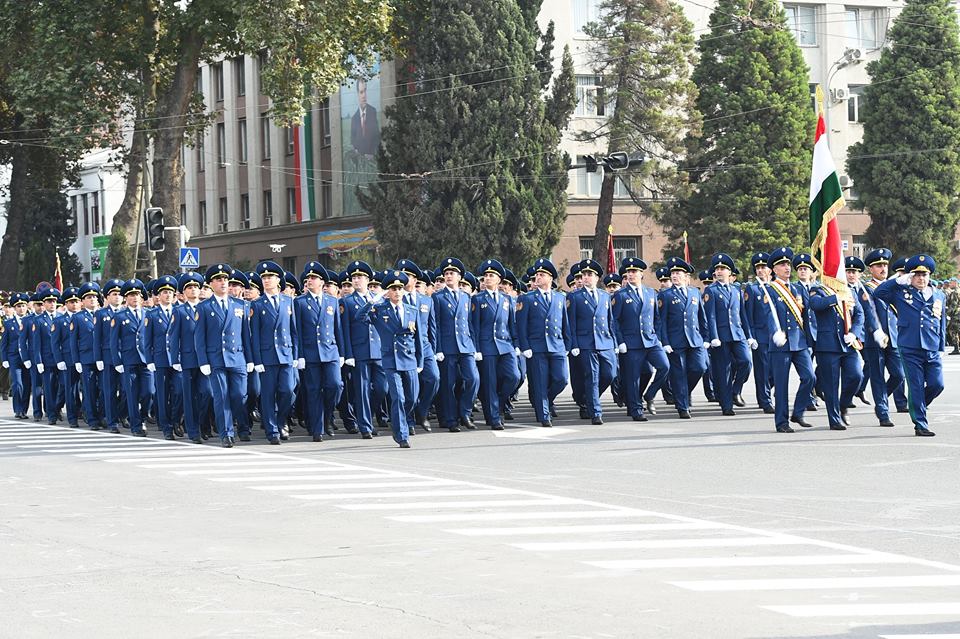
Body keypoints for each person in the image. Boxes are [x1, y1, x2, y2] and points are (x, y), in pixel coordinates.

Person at [874, 254, 946, 436]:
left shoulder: (939, 295)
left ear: (929, 276)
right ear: (910, 277)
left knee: (937, 384)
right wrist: (897, 281)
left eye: (924, 275)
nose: (921, 279)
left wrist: (941, 347)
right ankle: (920, 424)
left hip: (931, 346)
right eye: (917, 275)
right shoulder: (901, 293)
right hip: (909, 347)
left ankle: (917, 404)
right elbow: (878, 293)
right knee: (916, 386)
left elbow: (942, 323)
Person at [358, 270, 423, 448]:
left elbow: (418, 338)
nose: (397, 292)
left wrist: (420, 361)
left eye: (399, 288)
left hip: (409, 359)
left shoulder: (411, 310)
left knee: (412, 398)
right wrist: (374, 300)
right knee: (398, 398)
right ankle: (401, 435)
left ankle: (399, 419)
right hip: (391, 359)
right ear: (388, 291)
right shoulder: (380, 310)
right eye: (393, 289)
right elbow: (360, 317)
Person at [195, 264, 253, 447]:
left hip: (238, 358)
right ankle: (226, 433)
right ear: (211, 284)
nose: (223, 283)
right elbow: (199, 337)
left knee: (239, 395)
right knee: (221, 396)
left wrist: (250, 359)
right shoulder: (204, 307)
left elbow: (246, 335)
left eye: (225, 279)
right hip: (216, 359)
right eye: (218, 280)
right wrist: (203, 361)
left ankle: (243, 426)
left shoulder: (240, 305)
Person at [764, 247, 816, 433]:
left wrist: (811, 339)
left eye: (788, 264)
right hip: (781, 343)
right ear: (774, 269)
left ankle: (798, 411)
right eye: (782, 265)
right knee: (781, 385)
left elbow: (807, 315)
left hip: (799, 341)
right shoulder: (770, 289)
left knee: (810, 377)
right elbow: (769, 314)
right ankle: (781, 422)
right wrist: (775, 332)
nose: (787, 267)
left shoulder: (796, 288)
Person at [611, 257, 669, 422]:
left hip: (651, 340)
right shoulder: (620, 295)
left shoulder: (650, 292)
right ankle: (635, 409)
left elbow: (657, 318)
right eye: (628, 272)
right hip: (631, 343)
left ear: (641, 274)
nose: (631, 274)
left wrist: (657, 337)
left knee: (664, 366)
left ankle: (649, 395)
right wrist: (620, 341)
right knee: (633, 378)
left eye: (634, 272)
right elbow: (614, 321)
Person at [516, 258, 570, 427]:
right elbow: (521, 325)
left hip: (557, 345)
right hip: (536, 347)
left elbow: (565, 323)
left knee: (561, 379)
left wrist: (568, 344)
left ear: (550, 278)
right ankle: (544, 415)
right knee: (539, 382)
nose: (537, 278)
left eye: (541, 275)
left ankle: (546, 399)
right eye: (537, 275)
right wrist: (525, 346)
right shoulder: (527, 298)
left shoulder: (560, 298)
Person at [293, 261, 343, 443]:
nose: (309, 281)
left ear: (322, 282)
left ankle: (327, 416)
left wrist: (342, 353)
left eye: (313, 278)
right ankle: (317, 428)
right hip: (310, 353)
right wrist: (299, 355)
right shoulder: (299, 302)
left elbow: (338, 329)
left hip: (331, 351)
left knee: (335, 385)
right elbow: (297, 331)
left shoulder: (332, 301)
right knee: (313, 391)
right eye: (308, 278)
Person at [808, 272, 865, 430]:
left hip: (848, 344)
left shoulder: (849, 291)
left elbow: (859, 314)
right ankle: (834, 420)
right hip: (828, 345)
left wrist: (854, 333)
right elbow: (815, 304)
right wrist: (836, 298)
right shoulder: (818, 290)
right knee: (831, 386)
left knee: (856, 376)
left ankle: (843, 405)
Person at [470, 259, 520, 430]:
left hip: (506, 345)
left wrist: (516, 344)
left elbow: (512, 324)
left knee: (514, 376)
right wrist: (477, 349)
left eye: (491, 276)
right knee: (490, 383)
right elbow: (475, 327)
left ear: (499, 280)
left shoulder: (507, 299)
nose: (487, 278)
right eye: (486, 276)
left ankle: (499, 401)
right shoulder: (478, 299)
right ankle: (494, 417)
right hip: (487, 346)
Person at [432, 257, 480, 432]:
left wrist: (474, 347)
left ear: (459, 277)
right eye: (446, 273)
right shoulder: (437, 297)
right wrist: (438, 349)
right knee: (448, 384)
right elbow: (435, 325)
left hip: (465, 345)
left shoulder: (466, 297)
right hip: (447, 346)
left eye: (452, 273)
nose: (448, 276)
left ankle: (465, 412)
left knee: (473, 379)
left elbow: (469, 323)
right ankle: (451, 419)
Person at [566, 259, 617, 425]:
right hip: (586, 342)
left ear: (597, 278)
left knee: (610, 374)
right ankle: (596, 412)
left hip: (605, 342)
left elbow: (610, 321)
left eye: (590, 274)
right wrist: (574, 344)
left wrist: (614, 342)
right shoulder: (575, 296)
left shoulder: (605, 295)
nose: (586, 277)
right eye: (584, 274)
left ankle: (587, 399)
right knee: (592, 377)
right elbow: (571, 323)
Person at [656, 257, 708, 419]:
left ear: (686, 276)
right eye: (673, 273)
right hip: (675, 341)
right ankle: (682, 406)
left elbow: (701, 317)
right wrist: (665, 342)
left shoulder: (694, 292)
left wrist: (706, 337)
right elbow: (662, 321)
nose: (674, 276)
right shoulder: (665, 295)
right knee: (679, 374)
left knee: (700, 367)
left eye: (678, 273)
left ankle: (683, 393)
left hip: (695, 339)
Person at [340, 260, 387, 438]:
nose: (356, 280)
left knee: (382, 388)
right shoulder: (347, 301)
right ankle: (365, 426)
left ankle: (367, 416)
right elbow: (345, 330)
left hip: (379, 350)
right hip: (359, 351)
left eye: (360, 277)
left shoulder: (379, 298)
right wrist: (348, 354)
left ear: (367, 280)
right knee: (362, 390)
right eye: (354, 277)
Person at [703, 253, 752, 416]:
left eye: (722, 269)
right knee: (723, 371)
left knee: (746, 361)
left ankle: (736, 390)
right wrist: (713, 336)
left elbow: (743, 315)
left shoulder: (737, 290)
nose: (719, 271)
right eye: (717, 269)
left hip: (737, 334)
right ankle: (726, 405)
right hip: (721, 336)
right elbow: (710, 316)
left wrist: (749, 335)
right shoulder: (711, 290)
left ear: (729, 272)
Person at [396, 259, 439, 432]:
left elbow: (432, 327)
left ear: (415, 280)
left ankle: (422, 411)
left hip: (425, 347)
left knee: (434, 378)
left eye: (408, 276)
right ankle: (409, 420)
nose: (405, 279)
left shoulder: (427, 300)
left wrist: (434, 350)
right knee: (409, 386)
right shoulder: (396, 299)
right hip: (406, 347)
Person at [167, 272, 210, 443]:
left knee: (207, 393)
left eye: (195, 287)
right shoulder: (179, 311)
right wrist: (175, 359)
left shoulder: (207, 308)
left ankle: (203, 424)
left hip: (205, 360)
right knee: (189, 396)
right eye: (189, 287)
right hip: (187, 359)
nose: (193, 290)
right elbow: (173, 337)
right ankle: (193, 431)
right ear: (184, 292)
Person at [110, 280, 154, 436]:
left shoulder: (149, 314)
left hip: (146, 360)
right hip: (129, 360)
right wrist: (117, 361)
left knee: (149, 392)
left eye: (137, 295)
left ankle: (143, 416)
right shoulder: (119, 316)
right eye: (131, 295)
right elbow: (114, 341)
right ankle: (136, 426)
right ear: (126, 298)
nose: (135, 298)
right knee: (132, 395)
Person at [743, 253, 775, 414]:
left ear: (770, 269)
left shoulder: (776, 287)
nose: (760, 270)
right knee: (762, 370)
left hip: (776, 336)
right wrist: (750, 336)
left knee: (774, 371)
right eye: (758, 268)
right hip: (760, 335)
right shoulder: (752, 289)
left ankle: (767, 392)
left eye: (763, 267)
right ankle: (765, 400)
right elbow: (748, 314)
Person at [70, 283, 103, 430]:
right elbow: (73, 341)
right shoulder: (78, 317)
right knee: (89, 390)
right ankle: (92, 419)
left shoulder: (103, 314)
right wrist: (76, 360)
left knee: (104, 389)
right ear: (82, 301)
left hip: (103, 358)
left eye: (94, 297)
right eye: (89, 297)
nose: (92, 299)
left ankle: (103, 415)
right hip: (86, 358)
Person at [31, 287, 62, 425]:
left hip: (62, 359)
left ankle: (57, 408)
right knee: (49, 389)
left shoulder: (61, 317)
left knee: (62, 387)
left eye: (54, 301)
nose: (52, 304)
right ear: (44, 303)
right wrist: (38, 361)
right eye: (49, 301)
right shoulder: (38, 320)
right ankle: (51, 414)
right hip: (47, 359)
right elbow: (36, 343)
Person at [1, 293, 29, 419]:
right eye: (18, 306)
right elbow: (4, 343)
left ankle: (24, 409)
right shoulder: (8, 323)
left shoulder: (31, 321)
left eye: (23, 306)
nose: (21, 308)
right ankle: (18, 409)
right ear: (14, 308)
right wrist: (4, 358)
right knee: (17, 384)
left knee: (27, 385)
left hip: (28, 357)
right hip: (14, 357)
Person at [350, 79, 380, 156]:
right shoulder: (354, 118)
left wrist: (373, 154)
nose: (364, 95)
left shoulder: (373, 111)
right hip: (361, 159)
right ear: (357, 94)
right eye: (361, 92)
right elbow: (353, 142)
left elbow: (377, 136)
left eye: (365, 91)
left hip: (373, 157)